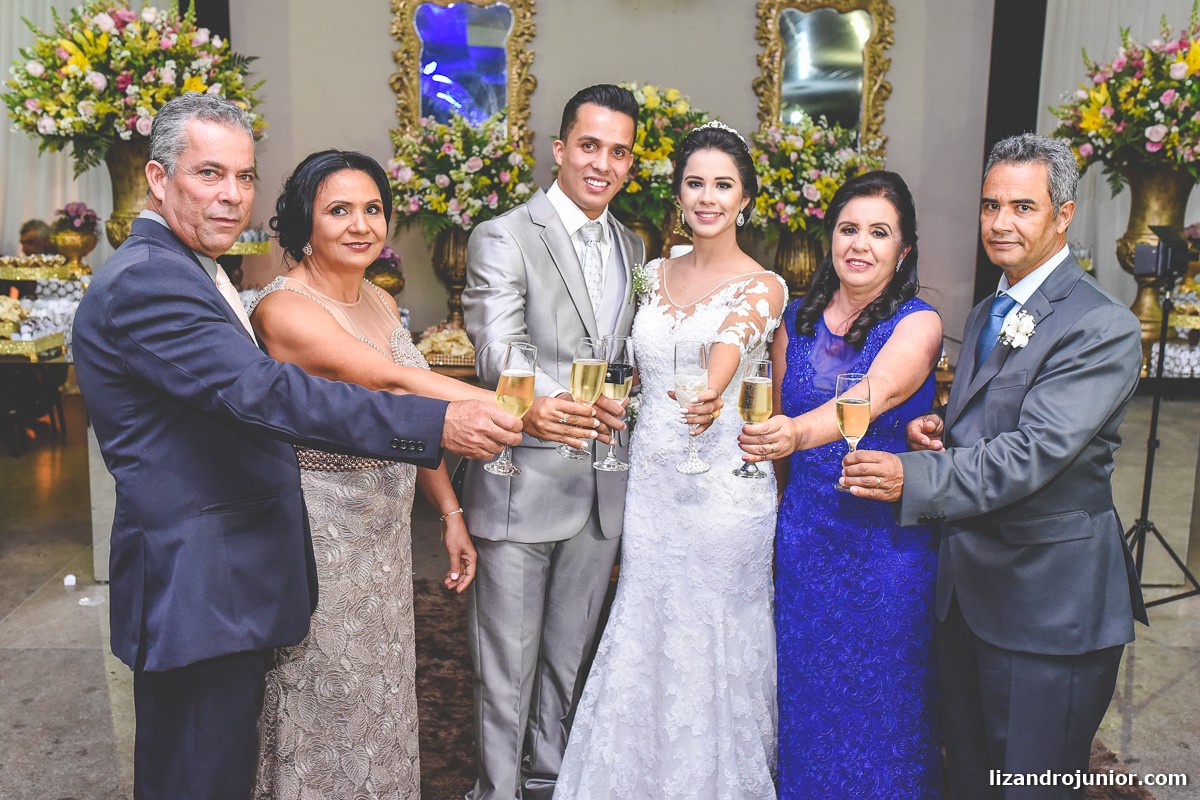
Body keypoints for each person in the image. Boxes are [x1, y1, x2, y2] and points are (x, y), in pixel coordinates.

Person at [71, 93, 521, 800]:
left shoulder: (187, 265)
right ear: (159, 180)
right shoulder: (150, 279)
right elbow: (268, 395)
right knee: (198, 777)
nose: (232, 197)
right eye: (209, 174)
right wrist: (435, 428)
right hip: (200, 587)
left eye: (244, 177)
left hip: (227, 580)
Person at [845, 134, 1147, 800]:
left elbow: (1034, 454)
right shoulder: (990, 309)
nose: (1000, 223)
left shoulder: (1102, 327)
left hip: (1048, 607)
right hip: (970, 595)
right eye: (989, 206)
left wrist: (912, 480)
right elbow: (992, 428)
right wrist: (943, 438)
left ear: (1063, 216)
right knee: (972, 782)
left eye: (1022, 207)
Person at [248, 150, 498, 798]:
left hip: (382, 546)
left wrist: (449, 513)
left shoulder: (381, 304)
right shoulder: (284, 310)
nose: (361, 224)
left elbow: (412, 422)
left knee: (377, 697)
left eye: (373, 209)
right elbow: (387, 381)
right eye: (339, 210)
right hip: (319, 547)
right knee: (320, 699)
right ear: (305, 221)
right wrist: (512, 404)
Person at [554, 121, 787, 799]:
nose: (707, 197)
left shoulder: (764, 285)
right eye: (695, 183)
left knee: (713, 632)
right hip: (653, 487)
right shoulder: (650, 275)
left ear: (745, 198)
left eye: (723, 185)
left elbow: (732, 341)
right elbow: (617, 354)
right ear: (677, 194)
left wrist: (713, 389)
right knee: (644, 616)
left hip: (724, 492)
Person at [460, 83, 652, 800]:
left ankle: (548, 785)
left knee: (567, 664)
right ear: (561, 148)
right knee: (504, 671)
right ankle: (496, 792)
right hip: (522, 481)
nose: (603, 163)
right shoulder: (504, 235)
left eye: (620, 151)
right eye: (591, 145)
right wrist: (555, 402)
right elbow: (496, 353)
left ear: (631, 163)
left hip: (602, 488)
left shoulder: (633, 245)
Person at [738, 171, 944, 798]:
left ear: (903, 250)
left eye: (879, 232)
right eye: (849, 228)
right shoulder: (794, 320)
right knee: (804, 695)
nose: (860, 244)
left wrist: (794, 435)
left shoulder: (919, 323)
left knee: (884, 701)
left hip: (884, 550)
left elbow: (873, 394)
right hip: (804, 537)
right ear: (829, 236)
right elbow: (771, 418)